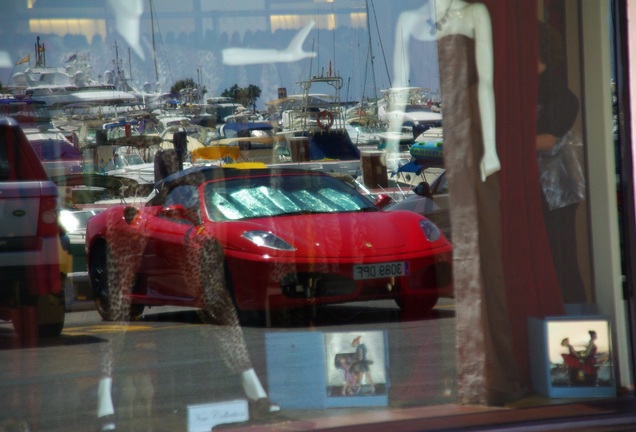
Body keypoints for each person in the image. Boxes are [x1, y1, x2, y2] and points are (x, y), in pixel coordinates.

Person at [392, 0, 521, 405]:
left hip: (474, 139)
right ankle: (458, 374)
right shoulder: (409, 21)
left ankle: (492, 373)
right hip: (436, 141)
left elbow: (485, 82)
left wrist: (492, 149)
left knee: (484, 254)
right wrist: (387, 141)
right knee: (461, 250)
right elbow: (401, 85)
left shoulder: (475, 14)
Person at [536, 21, 587, 304]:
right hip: (541, 188)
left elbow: (547, 139)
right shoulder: (529, 88)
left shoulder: (557, 91)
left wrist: (510, 141)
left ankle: (573, 324)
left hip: (557, 191)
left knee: (562, 261)